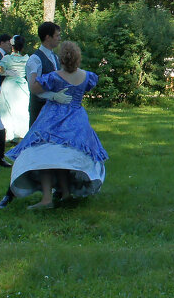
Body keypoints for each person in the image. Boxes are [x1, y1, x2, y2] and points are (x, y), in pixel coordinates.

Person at [6, 41, 107, 209]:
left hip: (52, 120)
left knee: (44, 155)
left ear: (61, 58)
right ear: (78, 58)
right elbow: (86, 87)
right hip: (76, 120)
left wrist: (34, 76)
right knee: (62, 157)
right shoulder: (86, 76)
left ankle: (47, 198)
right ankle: (65, 193)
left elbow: (35, 88)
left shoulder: (54, 76)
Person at [0, 22, 71, 208]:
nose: (59, 38)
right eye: (57, 35)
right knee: (32, 152)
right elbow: (33, 87)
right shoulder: (35, 60)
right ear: (47, 37)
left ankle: (61, 190)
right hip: (40, 113)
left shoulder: (53, 57)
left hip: (54, 113)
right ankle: (10, 193)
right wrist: (53, 95)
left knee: (57, 150)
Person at [0, 34, 31, 141]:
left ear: (12, 46)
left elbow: (0, 70)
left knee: (6, 109)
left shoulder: (7, 58)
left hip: (9, 85)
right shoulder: (27, 59)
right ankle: (21, 133)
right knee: (21, 109)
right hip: (22, 85)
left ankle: (6, 134)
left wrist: (5, 71)